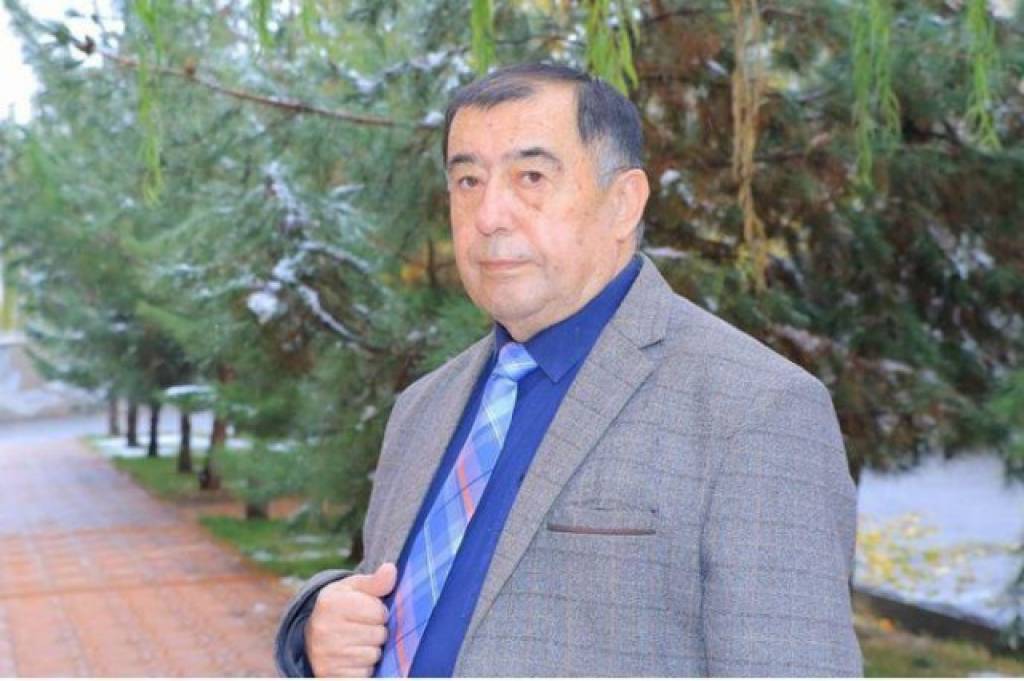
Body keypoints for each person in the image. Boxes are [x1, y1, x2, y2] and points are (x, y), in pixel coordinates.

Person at [275, 62, 862, 677]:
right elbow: (418, 604)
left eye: (531, 176)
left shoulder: (756, 408)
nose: (489, 214)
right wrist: (319, 629)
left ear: (623, 203)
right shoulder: (423, 406)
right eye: (468, 180)